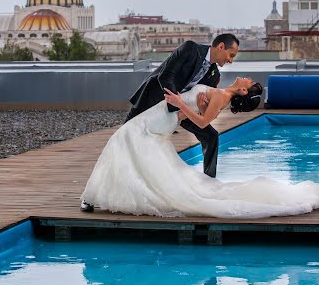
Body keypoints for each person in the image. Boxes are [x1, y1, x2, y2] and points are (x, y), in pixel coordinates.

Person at [80, 79, 319, 219]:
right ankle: (92, 196)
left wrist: (180, 103)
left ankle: (90, 197)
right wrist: (184, 111)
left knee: (123, 139)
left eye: (248, 82)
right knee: (126, 142)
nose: (245, 78)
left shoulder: (222, 96)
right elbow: (196, 116)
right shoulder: (220, 93)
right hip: (164, 115)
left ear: (243, 91)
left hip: (165, 113)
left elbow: (204, 123)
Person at [80, 33, 238, 213]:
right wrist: (175, 109)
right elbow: (166, 76)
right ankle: (90, 196)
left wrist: (192, 109)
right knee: (121, 142)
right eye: (231, 55)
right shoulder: (190, 48)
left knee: (211, 136)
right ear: (220, 47)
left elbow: (203, 104)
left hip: (180, 110)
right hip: (152, 102)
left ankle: (209, 185)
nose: (231, 60)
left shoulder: (213, 74)